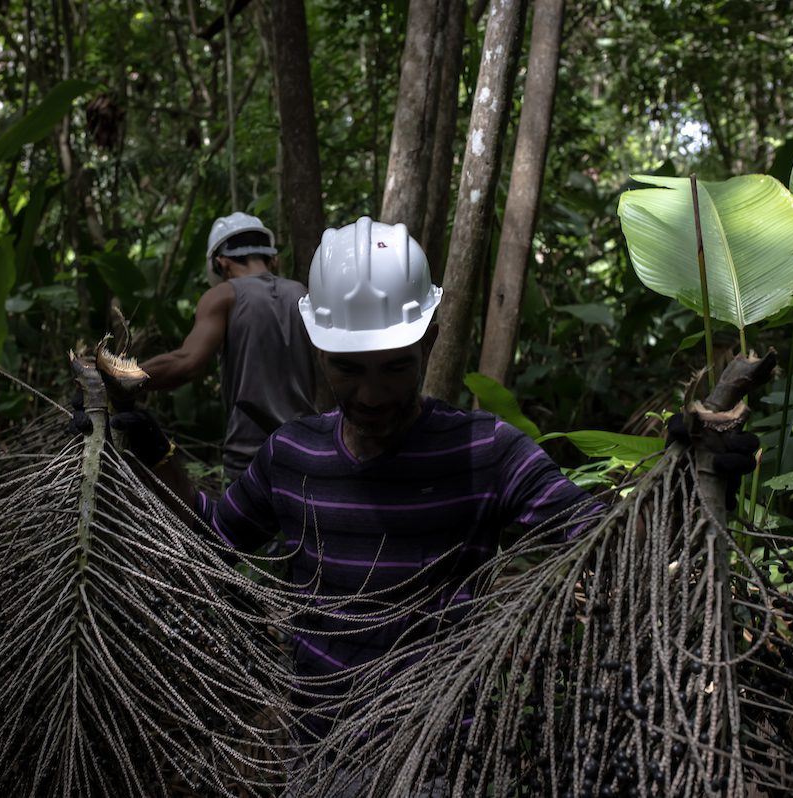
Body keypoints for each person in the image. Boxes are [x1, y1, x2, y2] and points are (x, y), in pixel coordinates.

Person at [124, 217, 599, 742]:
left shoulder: (486, 450)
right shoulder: (291, 454)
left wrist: (684, 471)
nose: (372, 396)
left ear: (431, 342)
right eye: (349, 370)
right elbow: (209, 541)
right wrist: (152, 448)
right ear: (320, 350)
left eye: (394, 368)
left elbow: (600, 536)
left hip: (438, 755)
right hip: (320, 750)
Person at [138, 212, 316, 482]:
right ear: (273, 259)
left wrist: (123, 376)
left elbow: (187, 363)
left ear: (221, 262)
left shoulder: (223, 295)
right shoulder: (302, 293)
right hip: (307, 456)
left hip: (251, 466)